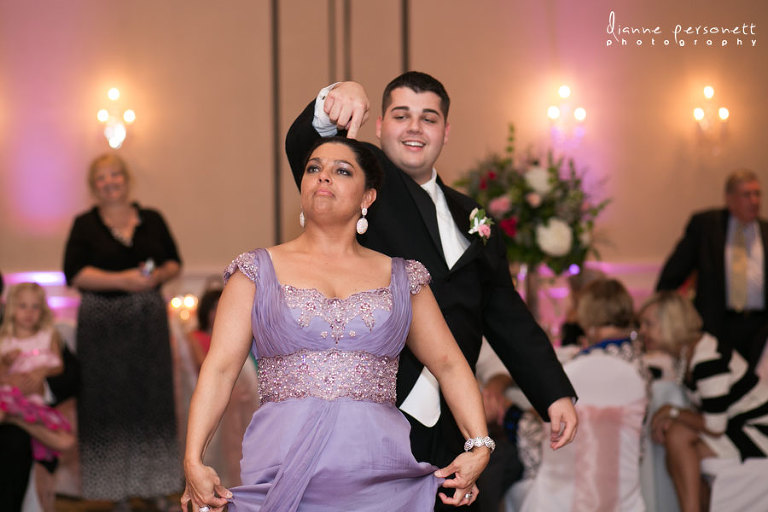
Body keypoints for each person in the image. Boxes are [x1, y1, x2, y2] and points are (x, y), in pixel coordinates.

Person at [285, 72, 577, 509]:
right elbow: (306, 149)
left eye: (429, 118)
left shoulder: (472, 216)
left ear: (446, 131)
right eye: (401, 115)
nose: (415, 128)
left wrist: (552, 391)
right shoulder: (361, 189)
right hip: (380, 408)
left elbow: (505, 313)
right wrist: (338, 97)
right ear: (379, 126)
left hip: (456, 419)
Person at [182, 137, 492, 512]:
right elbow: (219, 370)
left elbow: (449, 364)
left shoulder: (402, 278)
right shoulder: (255, 272)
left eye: (341, 170)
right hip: (282, 467)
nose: (323, 176)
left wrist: (479, 444)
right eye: (314, 168)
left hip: (378, 474)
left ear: (368, 197)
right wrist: (193, 458)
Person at [63, 153, 182, 508]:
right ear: (93, 186)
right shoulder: (84, 225)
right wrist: (123, 281)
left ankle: (156, 487)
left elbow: (174, 262)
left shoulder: (152, 218)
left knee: (153, 405)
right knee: (106, 406)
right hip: (102, 331)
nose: (109, 182)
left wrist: (156, 276)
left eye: (115, 174)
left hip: (148, 329)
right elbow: (74, 273)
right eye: (101, 177)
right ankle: (116, 494)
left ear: (126, 179)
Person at [509, 279, 648, 511]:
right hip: (622, 485)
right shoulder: (640, 367)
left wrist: (508, 413)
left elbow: (548, 421)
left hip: (562, 486)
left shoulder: (574, 369)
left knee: (510, 434)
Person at [640, 291, 768, 512]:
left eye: (648, 324)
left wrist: (672, 412)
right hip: (737, 427)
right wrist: (673, 416)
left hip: (759, 433)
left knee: (678, 437)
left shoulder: (708, 358)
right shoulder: (689, 353)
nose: (642, 331)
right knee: (678, 444)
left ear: (671, 323)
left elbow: (715, 426)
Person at [656, 169, 768, 367]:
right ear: (729, 198)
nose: (754, 200)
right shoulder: (706, 226)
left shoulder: (765, 230)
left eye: (757, 194)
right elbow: (675, 271)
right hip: (719, 325)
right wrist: (661, 311)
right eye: (746, 194)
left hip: (760, 328)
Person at [0, 282, 75, 512]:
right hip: (10, 397)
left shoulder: (49, 336)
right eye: (23, 306)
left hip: (32, 404)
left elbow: (61, 368)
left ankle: (16, 418)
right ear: (12, 308)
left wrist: (42, 375)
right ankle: (14, 417)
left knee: (64, 440)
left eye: (35, 307)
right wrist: (6, 365)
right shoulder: (5, 340)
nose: (29, 313)